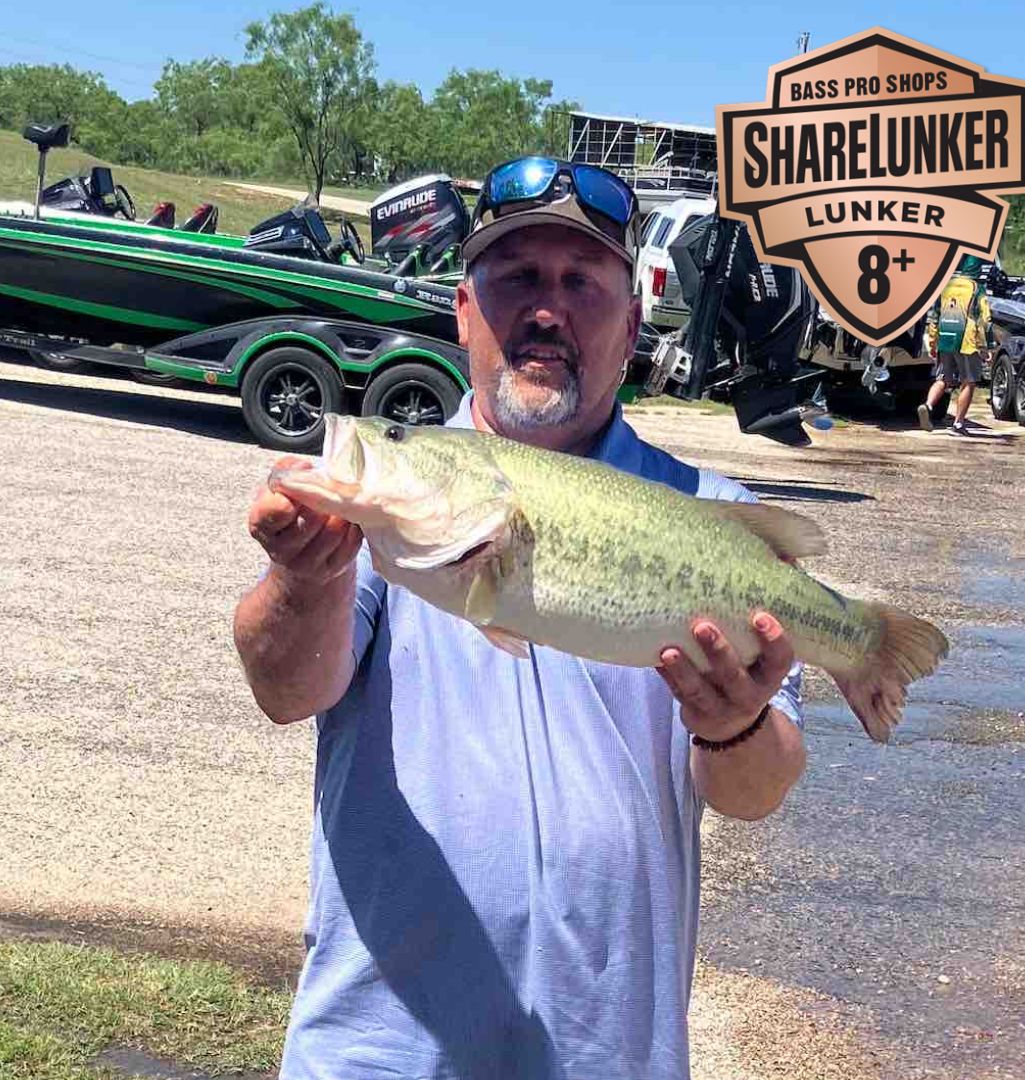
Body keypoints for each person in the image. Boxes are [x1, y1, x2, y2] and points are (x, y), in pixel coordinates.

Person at [233, 156, 807, 1080]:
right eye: (518, 278)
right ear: (464, 311)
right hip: (380, 1052)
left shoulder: (715, 518)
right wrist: (303, 580)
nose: (547, 309)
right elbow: (286, 691)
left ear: (632, 325)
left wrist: (735, 726)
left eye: (582, 283)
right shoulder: (396, 504)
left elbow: (756, 794)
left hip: (607, 1053)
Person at [918, 254, 995, 436]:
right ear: (977, 270)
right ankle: (958, 424)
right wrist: (986, 347)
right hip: (967, 342)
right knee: (969, 382)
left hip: (945, 338)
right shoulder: (976, 289)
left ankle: (927, 405)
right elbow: (985, 319)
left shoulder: (946, 286)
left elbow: (935, 316)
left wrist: (933, 342)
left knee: (943, 379)